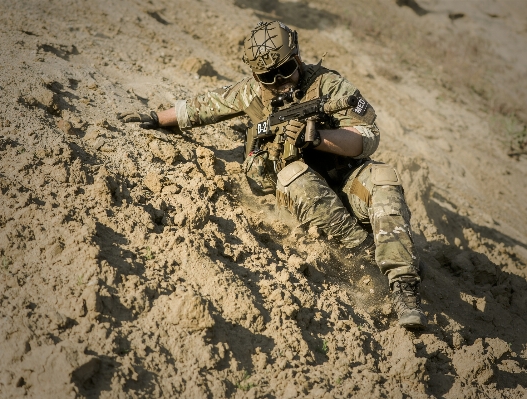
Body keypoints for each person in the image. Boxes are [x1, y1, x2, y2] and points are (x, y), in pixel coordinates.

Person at [118, 21, 427, 329]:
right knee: (294, 175)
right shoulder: (251, 96)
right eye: (268, 77)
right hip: (299, 194)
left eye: (286, 69)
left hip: (346, 181)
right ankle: (366, 255)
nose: (280, 81)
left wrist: (318, 137)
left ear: (298, 58)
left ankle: (404, 287)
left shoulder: (330, 87)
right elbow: (204, 107)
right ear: (256, 77)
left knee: (383, 176)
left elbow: (367, 136)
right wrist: (157, 117)